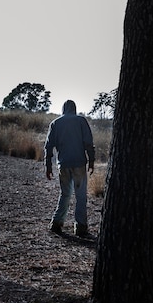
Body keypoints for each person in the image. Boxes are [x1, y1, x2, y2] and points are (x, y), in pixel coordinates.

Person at [44, 99, 95, 236]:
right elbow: (88, 143)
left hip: (63, 164)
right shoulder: (81, 121)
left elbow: (48, 147)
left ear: (63, 109)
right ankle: (80, 226)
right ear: (75, 108)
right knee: (81, 196)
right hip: (79, 163)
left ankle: (56, 223)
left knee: (65, 194)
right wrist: (91, 161)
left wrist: (48, 166)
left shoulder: (55, 123)